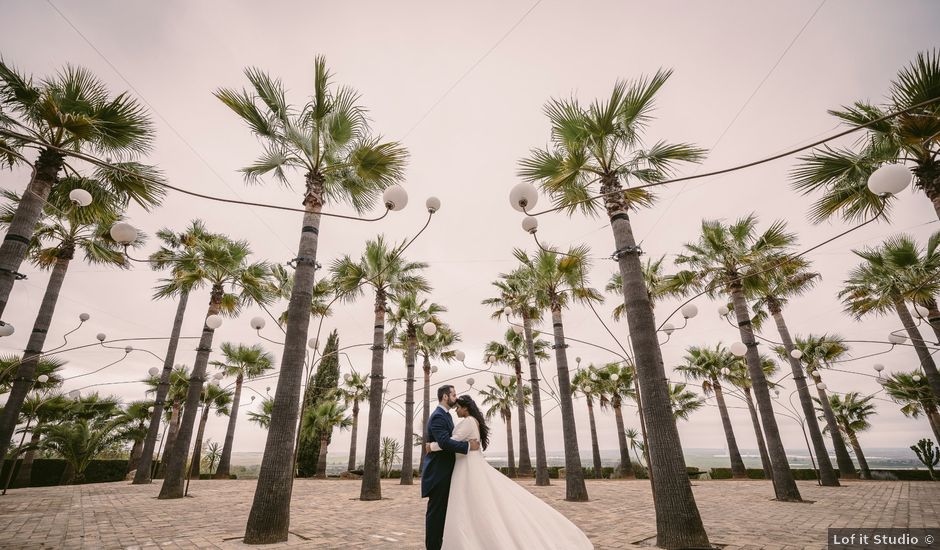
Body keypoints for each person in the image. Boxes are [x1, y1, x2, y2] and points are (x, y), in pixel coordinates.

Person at [426, 394, 594, 549]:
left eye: (458, 407)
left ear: (466, 408)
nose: (456, 410)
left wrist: (431, 446)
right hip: (469, 464)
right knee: (473, 502)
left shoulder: (469, 421)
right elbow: (457, 443)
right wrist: (468, 445)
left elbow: (450, 442)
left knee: (468, 502)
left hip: (467, 467)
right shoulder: (473, 421)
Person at [422, 385, 480, 550]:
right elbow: (445, 442)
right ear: (445, 397)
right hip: (438, 474)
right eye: (454, 395)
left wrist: (431, 446)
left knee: (442, 515)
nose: (456, 397)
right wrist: (469, 446)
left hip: (445, 472)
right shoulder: (438, 416)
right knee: (436, 515)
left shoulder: (446, 415)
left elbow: (446, 440)